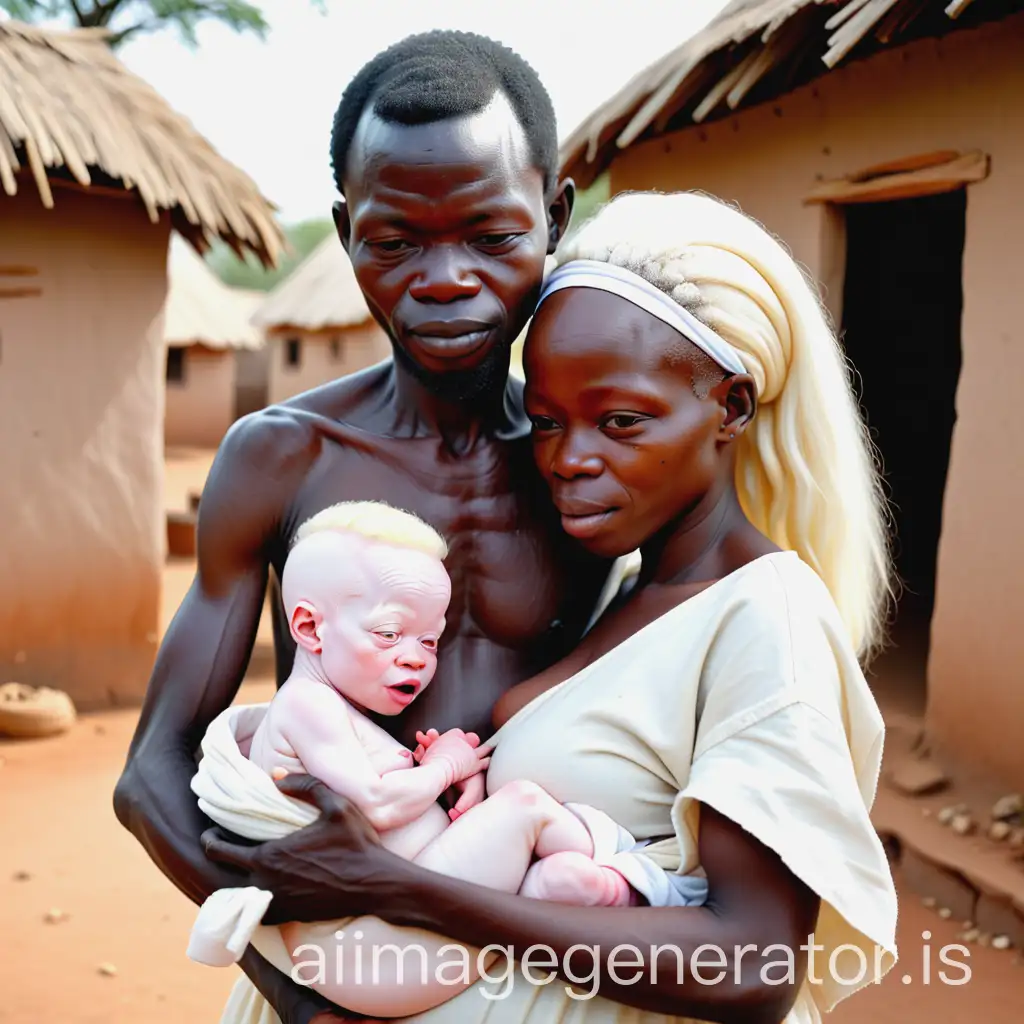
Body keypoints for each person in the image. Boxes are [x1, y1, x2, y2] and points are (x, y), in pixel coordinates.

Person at [201, 190, 899, 1024]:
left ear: (731, 408)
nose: (570, 459)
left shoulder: (764, 621)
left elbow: (749, 963)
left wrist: (398, 887)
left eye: (621, 421)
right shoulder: (631, 591)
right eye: (547, 421)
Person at [114, 30, 618, 1024]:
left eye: (490, 235)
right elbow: (151, 774)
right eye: (393, 241)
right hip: (327, 956)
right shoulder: (283, 456)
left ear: (553, 218)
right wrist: (296, 977)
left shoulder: (590, 467)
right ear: (345, 234)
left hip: (534, 956)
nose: (441, 278)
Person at [187, 500, 705, 1019]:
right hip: (371, 947)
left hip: (401, 932)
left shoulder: (337, 713)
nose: (415, 655)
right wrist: (445, 769)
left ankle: (590, 884)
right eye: (389, 633)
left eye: (430, 640)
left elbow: (395, 810)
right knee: (523, 804)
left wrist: (449, 782)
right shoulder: (307, 703)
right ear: (309, 627)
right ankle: (646, 875)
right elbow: (375, 807)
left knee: (561, 879)